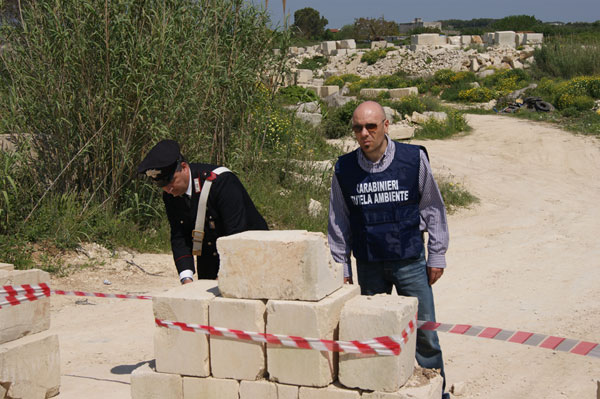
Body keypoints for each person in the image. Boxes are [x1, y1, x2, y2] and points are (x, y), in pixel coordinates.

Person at [327, 101, 450, 399]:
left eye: (371, 126)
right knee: (373, 333)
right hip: (369, 267)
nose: (364, 133)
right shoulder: (344, 169)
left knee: (425, 335)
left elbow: (433, 208)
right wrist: (342, 267)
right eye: (358, 128)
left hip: (409, 262)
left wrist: (436, 254)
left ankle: (437, 391)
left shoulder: (413, 159)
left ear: (386, 125)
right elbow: (338, 222)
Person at [138, 139, 268, 284]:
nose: (168, 189)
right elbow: (179, 234)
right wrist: (186, 278)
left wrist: (225, 275)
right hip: (209, 258)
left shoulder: (221, 182)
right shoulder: (170, 195)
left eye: (171, 180)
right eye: (162, 185)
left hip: (249, 255)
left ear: (184, 167)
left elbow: (237, 233)